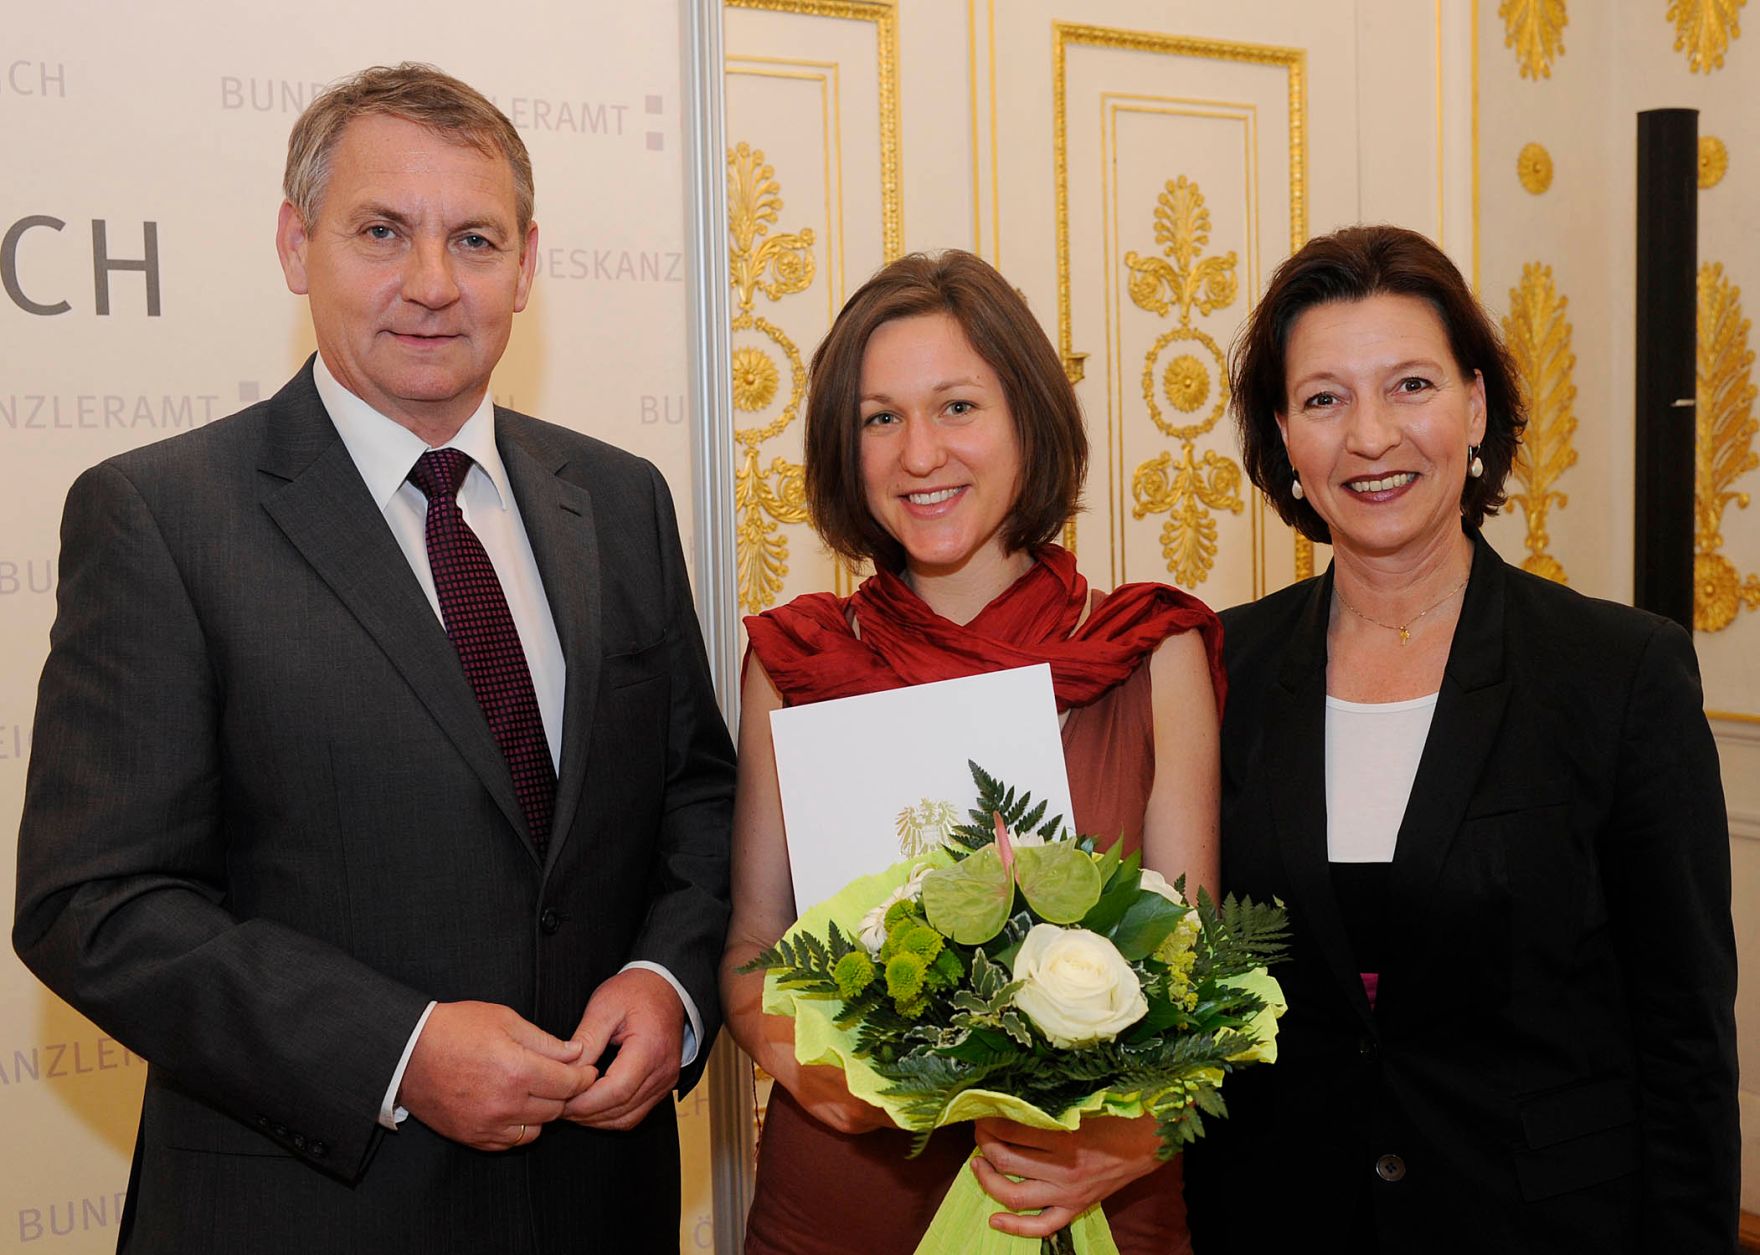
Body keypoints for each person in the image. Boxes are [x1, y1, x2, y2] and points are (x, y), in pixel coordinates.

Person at [11, 63, 734, 1255]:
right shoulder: (161, 514)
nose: (434, 284)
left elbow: (694, 795)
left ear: (529, 262)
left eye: (476, 239)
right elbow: (94, 905)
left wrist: (668, 982)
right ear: (298, 245)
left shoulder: (619, 498)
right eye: (382, 231)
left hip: (597, 1203)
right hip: (305, 1209)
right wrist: (396, 1050)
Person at [1182, 225, 1739, 1252]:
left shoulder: (1616, 673)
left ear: (1473, 405)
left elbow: (1681, 1037)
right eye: (1322, 398)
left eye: (1408, 386)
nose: (1369, 436)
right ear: (1282, 438)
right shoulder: (1215, 669)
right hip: (1275, 1219)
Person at [721, 249, 1225, 1253]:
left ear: (1027, 420)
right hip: (844, 1189)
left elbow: (1199, 983)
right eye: (879, 417)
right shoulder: (795, 659)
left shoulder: (1144, 651)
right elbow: (750, 945)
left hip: (1078, 1188)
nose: (919, 454)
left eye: (957, 406)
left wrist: (1128, 1139)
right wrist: (809, 1065)